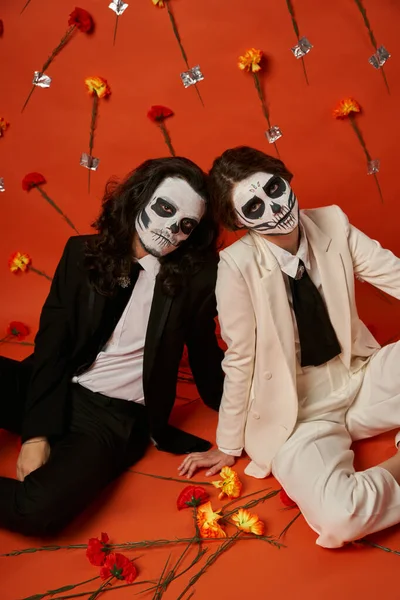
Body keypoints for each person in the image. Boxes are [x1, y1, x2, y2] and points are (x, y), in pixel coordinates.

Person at [179, 145, 400, 549]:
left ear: (285, 177)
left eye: (274, 189)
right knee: (340, 516)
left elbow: (393, 274)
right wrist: (228, 444)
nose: (275, 208)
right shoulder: (235, 267)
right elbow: (240, 358)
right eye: (255, 207)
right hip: (297, 415)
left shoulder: (332, 222)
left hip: (360, 376)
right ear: (238, 222)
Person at [0, 156, 224, 536]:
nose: (172, 229)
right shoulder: (80, 253)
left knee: (38, 510)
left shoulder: (195, 280)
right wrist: (36, 436)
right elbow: (53, 346)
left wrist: (244, 431)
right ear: (139, 197)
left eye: (185, 225)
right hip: (51, 383)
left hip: (111, 418)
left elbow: (206, 358)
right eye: (165, 209)